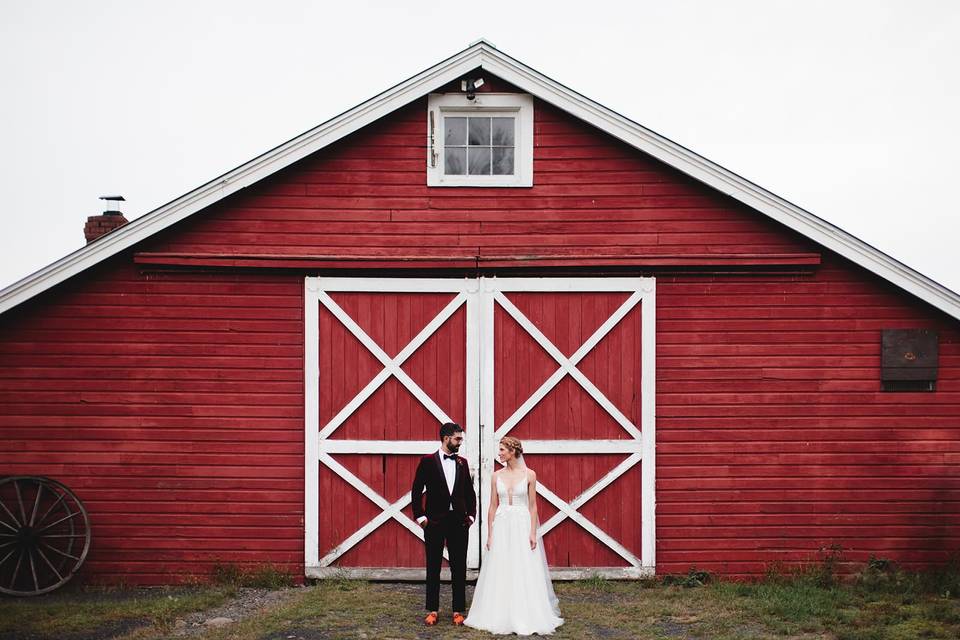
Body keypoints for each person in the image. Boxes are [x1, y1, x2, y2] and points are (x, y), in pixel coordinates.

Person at [464, 436, 563, 635]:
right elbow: (492, 506)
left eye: (502, 450)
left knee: (522, 565)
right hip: (501, 523)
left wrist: (533, 532)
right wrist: (490, 534)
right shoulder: (495, 476)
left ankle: (525, 612)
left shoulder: (530, 475)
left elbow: (533, 506)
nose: (499, 453)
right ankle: (498, 612)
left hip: (521, 523)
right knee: (501, 565)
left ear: (512, 451)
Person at [410, 422, 477, 626]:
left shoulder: (462, 463)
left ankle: (458, 610)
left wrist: (471, 516)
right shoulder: (427, 462)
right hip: (434, 522)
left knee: (459, 567)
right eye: (457, 439)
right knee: (433, 567)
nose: (460, 443)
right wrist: (420, 517)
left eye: (461, 439)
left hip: (458, 522)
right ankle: (432, 610)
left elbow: (469, 493)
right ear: (446, 438)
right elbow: (416, 491)